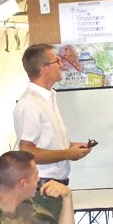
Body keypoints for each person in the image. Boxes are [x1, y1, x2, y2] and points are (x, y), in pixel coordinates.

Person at [14, 44, 92, 185]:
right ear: (44, 68)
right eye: (57, 61)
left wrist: (73, 148)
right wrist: (67, 154)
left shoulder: (49, 97)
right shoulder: (30, 103)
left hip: (55, 183)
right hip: (42, 185)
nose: (61, 65)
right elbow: (27, 151)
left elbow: (49, 143)